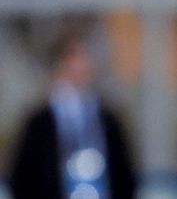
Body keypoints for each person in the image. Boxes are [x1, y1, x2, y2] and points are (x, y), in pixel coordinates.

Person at [8, 31, 136, 199]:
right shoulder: (39, 123)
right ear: (60, 65)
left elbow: (124, 174)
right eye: (76, 57)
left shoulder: (108, 119)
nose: (83, 65)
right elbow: (23, 177)